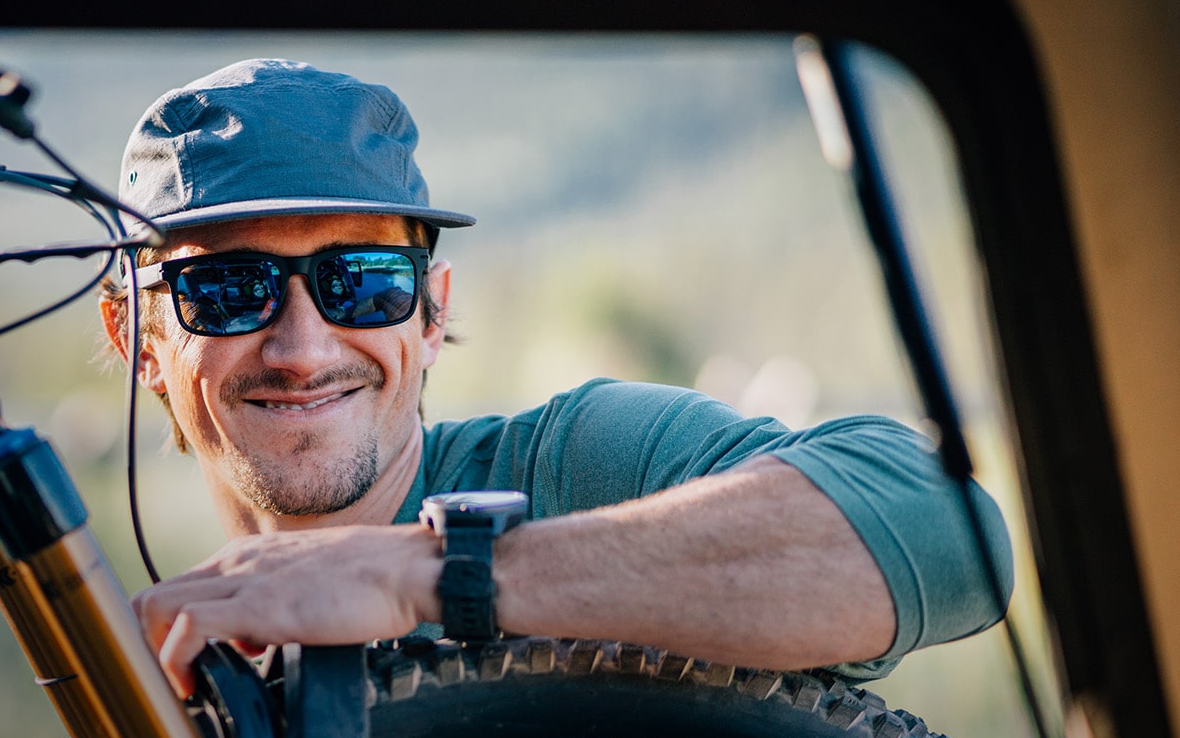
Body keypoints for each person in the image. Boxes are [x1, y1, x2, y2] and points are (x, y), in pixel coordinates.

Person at [96, 58, 1014, 700]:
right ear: (132, 331)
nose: (303, 346)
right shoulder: (173, 677)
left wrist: (426, 575)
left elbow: (950, 532)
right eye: (226, 290)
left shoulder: (579, 471)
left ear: (433, 310)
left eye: (363, 283)